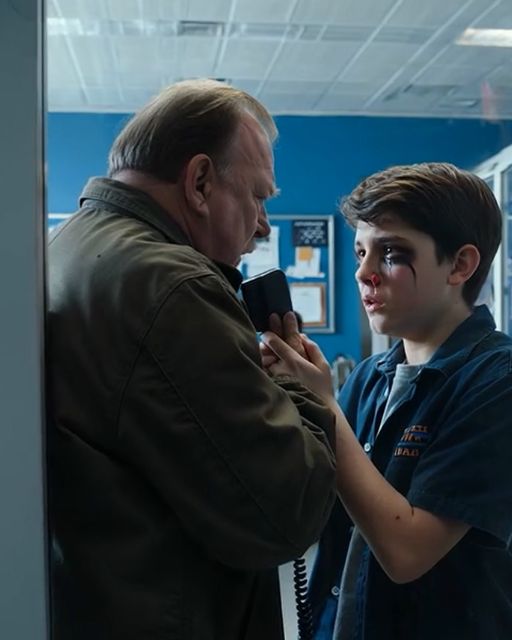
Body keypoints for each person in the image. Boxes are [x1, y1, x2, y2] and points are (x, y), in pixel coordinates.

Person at [46, 78, 337, 640]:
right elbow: (288, 512)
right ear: (200, 182)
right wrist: (304, 392)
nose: (263, 225)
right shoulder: (173, 287)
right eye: (258, 197)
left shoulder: (70, 246)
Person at [261, 162, 512, 640]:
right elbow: (318, 509)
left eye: (391, 253)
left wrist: (323, 407)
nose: (363, 273)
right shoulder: (370, 377)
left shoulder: (496, 381)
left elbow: (407, 553)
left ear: (460, 265)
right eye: (361, 252)